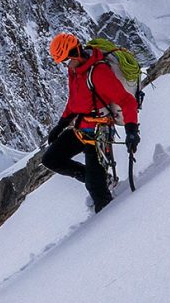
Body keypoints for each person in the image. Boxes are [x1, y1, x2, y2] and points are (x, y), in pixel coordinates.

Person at [41, 32, 140, 212]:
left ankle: (112, 222)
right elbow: (74, 101)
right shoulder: (75, 71)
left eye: (65, 60)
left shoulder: (99, 73)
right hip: (81, 128)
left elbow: (127, 101)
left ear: (74, 54)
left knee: (97, 191)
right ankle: (100, 179)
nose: (65, 65)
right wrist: (61, 124)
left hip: (99, 134)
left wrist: (132, 129)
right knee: (51, 159)